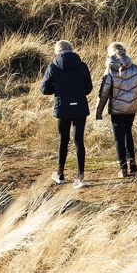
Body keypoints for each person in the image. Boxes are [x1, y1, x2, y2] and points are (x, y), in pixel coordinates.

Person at [95, 42, 137, 178]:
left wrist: (99, 111)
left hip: (117, 109)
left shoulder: (110, 70)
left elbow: (103, 92)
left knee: (119, 138)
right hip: (132, 108)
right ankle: (132, 160)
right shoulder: (135, 68)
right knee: (128, 132)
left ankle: (123, 168)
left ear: (111, 54)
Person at [40, 40, 93, 187]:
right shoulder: (82, 66)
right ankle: (80, 176)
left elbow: (44, 89)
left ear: (57, 51)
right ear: (72, 50)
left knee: (63, 140)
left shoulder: (53, 66)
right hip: (80, 107)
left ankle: (60, 174)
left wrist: (57, 90)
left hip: (62, 107)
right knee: (78, 141)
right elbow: (88, 88)